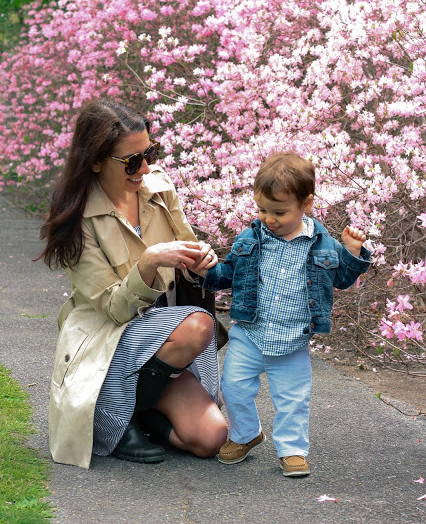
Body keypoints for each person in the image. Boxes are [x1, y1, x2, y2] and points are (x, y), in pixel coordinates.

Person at [38, 99, 228, 469]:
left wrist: (202, 259)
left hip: (165, 338)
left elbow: (187, 255)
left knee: (211, 438)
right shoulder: (76, 219)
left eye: (150, 152)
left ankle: (140, 413)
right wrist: (149, 262)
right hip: (111, 339)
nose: (145, 167)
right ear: (94, 161)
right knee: (196, 325)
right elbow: (113, 307)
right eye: (131, 161)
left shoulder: (159, 189)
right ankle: (117, 418)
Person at [191, 152, 371, 477]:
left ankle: (292, 449)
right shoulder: (251, 238)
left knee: (293, 400)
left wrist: (353, 253)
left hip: (292, 339)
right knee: (233, 388)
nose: (269, 219)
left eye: (279, 212)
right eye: (262, 210)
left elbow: (343, 280)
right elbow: (227, 273)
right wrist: (205, 271)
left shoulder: (322, 245)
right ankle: (246, 434)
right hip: (249, 333)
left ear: (307, 204)